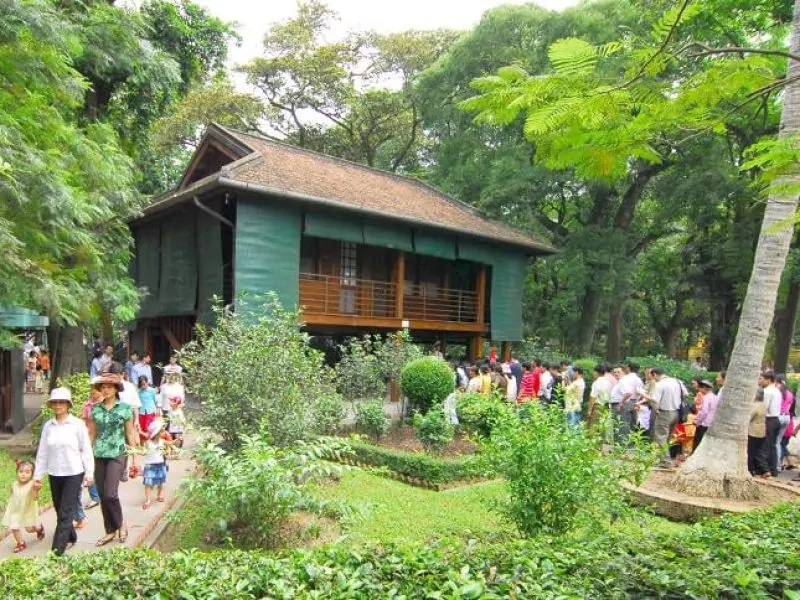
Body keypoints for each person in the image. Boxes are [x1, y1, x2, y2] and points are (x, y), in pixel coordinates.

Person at [33, 387, 94, 555]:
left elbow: (86, 450)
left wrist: (89, 473)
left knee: (66, 511)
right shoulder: (48, 426)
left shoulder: (77, 425)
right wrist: (37, 476)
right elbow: (43, 452)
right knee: (60, 509)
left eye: (61, 402)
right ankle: (71, 536)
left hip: (74, 473)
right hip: (54, 473)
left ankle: (56, 551)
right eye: (55, 402)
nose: (58, 405)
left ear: (68, 405)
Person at [87, 373, 138, 546]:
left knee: (110, 493)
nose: (106, 390)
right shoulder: (95, 409)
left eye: (109, 387)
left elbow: (130, 433)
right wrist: (86, 457)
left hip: (117, 454)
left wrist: (135, 458)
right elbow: (91, 434)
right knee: (102, 495)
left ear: (116, 389)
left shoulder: (125, 408)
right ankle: (110, 530)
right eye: (103, 387)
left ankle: (121, 524)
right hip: (99, 455)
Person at [3, 460, 44, 553]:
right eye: (21, 471)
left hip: (28, 511)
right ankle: (20, 543)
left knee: (29, 529)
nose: (23, 474)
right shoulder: (14, 484)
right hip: (16, 510)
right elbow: (13, 495)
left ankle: (39, 528)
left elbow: (34, 498)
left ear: (32, 474)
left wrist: (35, 490)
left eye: (27, 472)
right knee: (14, 527)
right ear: (17, 472)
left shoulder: (32, 485)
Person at [647, 367, 683, 467]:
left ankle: (666, 462)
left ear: (654, 374)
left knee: (660, 437)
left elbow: (655, 400)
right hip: (676, 413)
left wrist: (644, 395)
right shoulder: (677, 381)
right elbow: (685, 393)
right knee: (667, 437)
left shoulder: (660, 385)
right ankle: (662, 458)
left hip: (664, 413)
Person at [141, 419, 173, 510]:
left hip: (160, 464)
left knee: (160, 481)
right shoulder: (147, 443)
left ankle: (160, 494)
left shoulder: (162, 441)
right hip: (150, 465)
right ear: (156, 433)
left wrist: (177, 441)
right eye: (161, 431)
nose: (163, 433)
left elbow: (170, 443)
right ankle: (147, 500)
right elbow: (143, 451)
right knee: (148, 483)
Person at [762, 371, 783, 477]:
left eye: (762, 379)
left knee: (766, 445)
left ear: (768, 380)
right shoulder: (777, 391)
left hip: (769, 419)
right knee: (773, 445)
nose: (760, 381)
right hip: (776, 419)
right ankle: (773, 469)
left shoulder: (767, 391)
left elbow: (764, 407)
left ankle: (765, 469)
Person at [693, 380, 719, 452]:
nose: (699, 390)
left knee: (697, 442)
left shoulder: (706, 397)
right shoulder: (715, 397)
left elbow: (704, 411)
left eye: (700, 388)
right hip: (711, 422)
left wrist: (698, 421)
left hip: (704, 423)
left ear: (704, 388)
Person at [748, 391, 769, 477]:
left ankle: (750, 470)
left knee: (750, 452)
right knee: (759, 452)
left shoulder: (755, 406)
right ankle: (765, 470)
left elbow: (749, 417)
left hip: (753, 431)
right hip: (761, 431)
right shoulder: (763, 405)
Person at [137, 375, 159, 440]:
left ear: (147, 382)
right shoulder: (139, 392)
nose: (143, 386)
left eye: (144, 384)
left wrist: (158, 409)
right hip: (141, 412)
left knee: (150, 428)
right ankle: (143, 443)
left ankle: (150, 442)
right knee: (142, 429)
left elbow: (155, 401)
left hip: (150, 412)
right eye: (141, 385)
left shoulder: (152, 390)